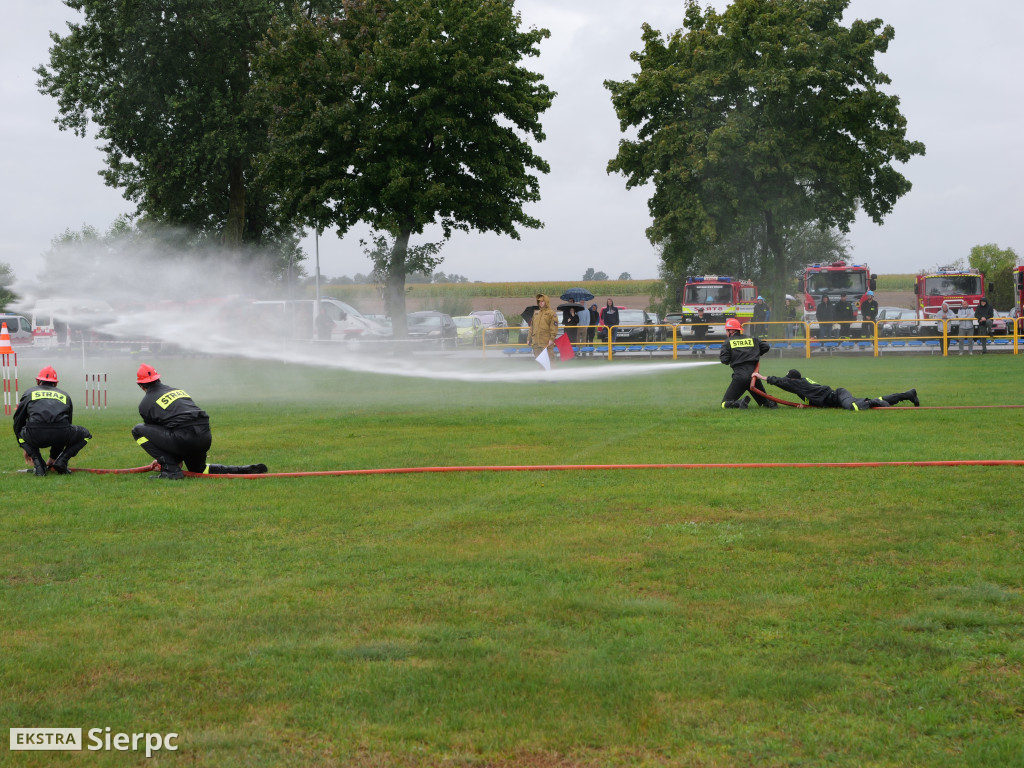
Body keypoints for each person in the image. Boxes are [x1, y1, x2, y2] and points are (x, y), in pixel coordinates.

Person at [132, 364, 268, 479]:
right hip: (203, 437)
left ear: (141, 386)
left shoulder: (146, 404)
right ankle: (241, 470)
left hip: (183, 439)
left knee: (138, 430)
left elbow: (161, 436)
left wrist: (169, 462)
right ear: (158, 379)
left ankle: (171, 471)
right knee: (199, 470)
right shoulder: (177, 391)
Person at [12, 366, 92, 476]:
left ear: (38, 381)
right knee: (85, 435)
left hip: (35, 434)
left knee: (20, 434)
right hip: (61, 433)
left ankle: (39, 465)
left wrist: (24, 445)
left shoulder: (29, 393)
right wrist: (54, 456)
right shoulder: (65, 395)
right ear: (55, 384)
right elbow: (66, 424)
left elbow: (18, 421)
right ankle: (61, 461)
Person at [755, 369, 919, 410]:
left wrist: (762, 377)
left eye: (789, 379)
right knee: (858, 403)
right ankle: (908, 394)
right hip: (837, 397)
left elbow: (781, 382)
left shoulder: (798, 383)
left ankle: (874, 402)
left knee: (853, 407)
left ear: (793, 379)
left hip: (838, 395)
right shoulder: (802, 385)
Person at [719, 317, 775, 408]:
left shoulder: (727, 342)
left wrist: (735, 357)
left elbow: (724, 360)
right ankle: (771, 403)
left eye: (727, 330)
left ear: (732, 331)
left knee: (725, 403)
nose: (726, 333)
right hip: (754, 377)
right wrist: (754, 354)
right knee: (765, 402)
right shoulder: (751, 339)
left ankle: (738, 403)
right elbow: (766, 346)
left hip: (740, 378)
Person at [526, 294, 558, 363]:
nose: (541, 302)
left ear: (546, 301)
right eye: (539, 301)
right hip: (536, 343)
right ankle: (541, 374)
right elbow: (532, 327)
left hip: (546, 343)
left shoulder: (552, 313)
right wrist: (529, 338)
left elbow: (554, 328)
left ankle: (552, 373)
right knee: (540, 362)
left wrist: (552, 339)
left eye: (542, 301)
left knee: (550, 361)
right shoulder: (536, 313)